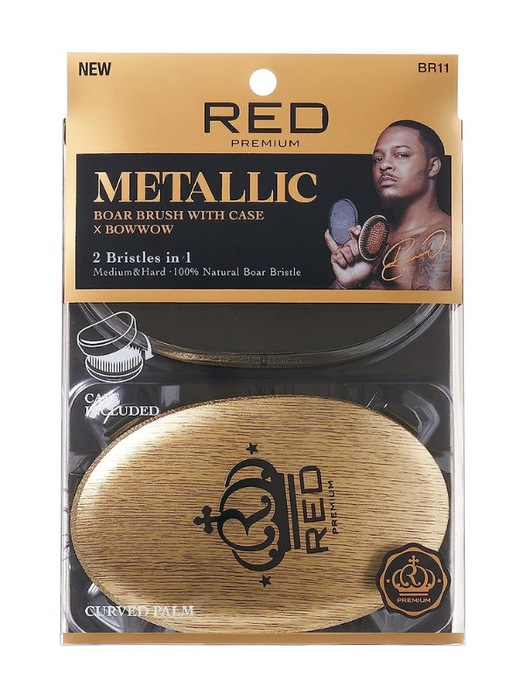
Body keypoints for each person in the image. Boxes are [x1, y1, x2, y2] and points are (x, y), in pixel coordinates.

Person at [325, 120, 451, 290]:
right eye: (378, 159)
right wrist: (345, 283)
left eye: (402, 155)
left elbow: (427, 308)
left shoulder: (443, 239)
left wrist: (367, 282)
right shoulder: (372, 239)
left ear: (433, 167)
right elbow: (327, 308)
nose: (384, 165)